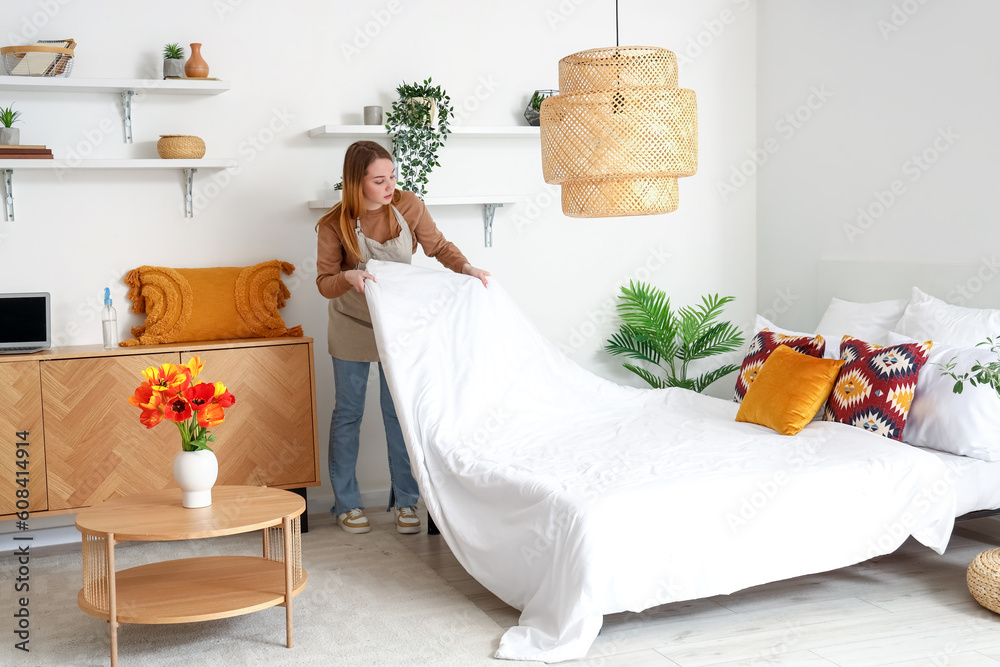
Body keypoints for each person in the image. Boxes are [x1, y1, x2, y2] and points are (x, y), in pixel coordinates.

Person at [315, 140, 489, 534]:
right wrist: (348, 276)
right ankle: (346, 504)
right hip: (351, 325)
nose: (390, 185)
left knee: (399, 414)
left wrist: (467, 269)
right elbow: (324, 283)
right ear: (357, 184)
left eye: (392, 175)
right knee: (349, 413)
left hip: (398, 326)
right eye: (379, 180)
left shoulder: (408, 206)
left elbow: (438, 247)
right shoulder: (333, 224)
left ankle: (406, 501)